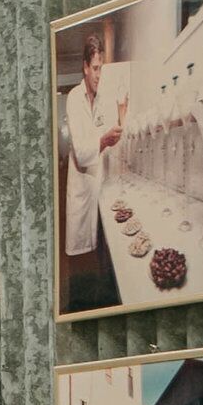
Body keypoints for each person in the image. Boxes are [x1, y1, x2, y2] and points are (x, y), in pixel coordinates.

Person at [61, 24, 129, 311]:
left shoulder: (103, 97)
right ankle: (79, 307)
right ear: (85, 67)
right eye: (96, 68)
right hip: (81, 189)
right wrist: (103, 140)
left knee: (100, 256)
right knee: (80, 261)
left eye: (103, 69)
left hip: (99, 184)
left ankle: (99, 303)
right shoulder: (75, 99)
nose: (100, 75)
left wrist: (120, 120)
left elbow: (116, 127)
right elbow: (82, 149)